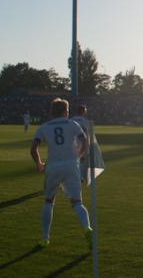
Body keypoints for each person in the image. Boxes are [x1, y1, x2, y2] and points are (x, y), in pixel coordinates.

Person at [30, 98, 92, 249]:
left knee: (48, 201)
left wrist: (38, 163)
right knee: (77, 203)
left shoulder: (44, 127)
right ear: (65, 112)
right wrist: (77, 156)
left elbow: (33, 148)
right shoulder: (72, 124)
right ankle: (87, 227)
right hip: (71, 166)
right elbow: (84, 141)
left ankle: (45, 238)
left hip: (53, 167)